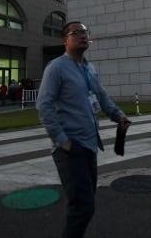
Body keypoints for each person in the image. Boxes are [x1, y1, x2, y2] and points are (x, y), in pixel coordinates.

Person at [37, 21, 131, 238]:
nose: (82, 35)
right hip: (70, 148)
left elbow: (101, 96)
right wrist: (62, 140)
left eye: (85, 32)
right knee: (82, 207)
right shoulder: (56, 67)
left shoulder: (89, 68)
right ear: (65, 40)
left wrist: (117, 115)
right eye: (76, 32)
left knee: (85, 204)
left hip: (89, 145)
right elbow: (44, 104)